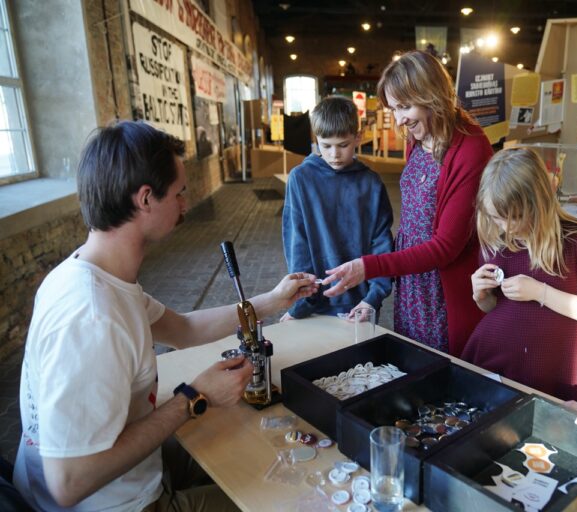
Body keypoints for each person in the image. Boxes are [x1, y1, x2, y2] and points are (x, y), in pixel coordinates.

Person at [13, 121, 318, 511]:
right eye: (180, 193)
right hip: (119, 505)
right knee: (292, 495)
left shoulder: (97, 275)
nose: (186, 204)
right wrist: (195, 396)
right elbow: (68, 483)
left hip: (133, 476)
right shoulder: (91, 315)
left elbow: (185, 329)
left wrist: (273, 301)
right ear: (145, 199)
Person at [322, 50, 494, 357]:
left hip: (442, 289)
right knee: (411, 364)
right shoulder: (417, 135)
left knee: (442, 372)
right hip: (413, 280)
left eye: (405, 107)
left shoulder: (471, 147)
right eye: (393, 108)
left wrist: (369, 267)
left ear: (432, 97)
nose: (399, 119)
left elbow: (446, 247)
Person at [461, 148, 577, 402]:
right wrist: (480, 295)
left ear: (539, 202)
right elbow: (493, 307)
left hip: (549, 368)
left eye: (515, 218)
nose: (506, 227)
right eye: (496, 218)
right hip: (492, 360)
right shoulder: (496, 238)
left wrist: (539, 292)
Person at [281, 96, 393, 322]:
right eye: (326, 145)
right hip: (313, 304)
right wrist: (300, 305)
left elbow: (382, 244)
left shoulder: (371, 183)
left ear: (358, 137)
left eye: (343, 145)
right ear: (316, 139)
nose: (334, 154)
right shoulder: (301, 179)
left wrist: (373, 298)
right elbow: (297, 244)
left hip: (361, 303)